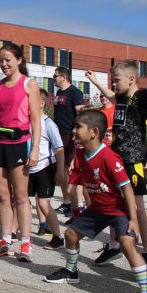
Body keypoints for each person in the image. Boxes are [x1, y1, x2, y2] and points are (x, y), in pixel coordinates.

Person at [43, 110, 147, 293]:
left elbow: (127, 188)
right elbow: (81, 178)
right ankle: (71, 271)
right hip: (98, 209)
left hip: (118, 210)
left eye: (78, 126)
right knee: (70, 234)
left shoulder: (109, 157)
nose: (74, 131)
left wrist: (133, 220)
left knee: (126, 244)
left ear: (94, 132)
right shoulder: (81, 153)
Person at [85, 58, 147, 273]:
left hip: (133, 159)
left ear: (131, 79)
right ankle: (115, 244)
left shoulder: (142, 96)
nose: (113, 84)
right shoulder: (120, 97)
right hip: (117, 156)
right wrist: (95, 81)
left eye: (116, 80)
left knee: (136, 206)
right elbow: (111, 96)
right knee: (114, 201)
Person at [0, 43, 41, 262]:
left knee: (21, 197)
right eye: (1, 60)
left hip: (19, 143)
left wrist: (35, 149)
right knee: (3, 195)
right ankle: (6, 240)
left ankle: (25, 243)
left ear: (19, 60)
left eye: (8, 60)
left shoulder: (29, 84)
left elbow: (35, 120)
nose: (4, 64)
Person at [30, 89, 65, 249]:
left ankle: (57, 237)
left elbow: (59, 149)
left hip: (45, 167)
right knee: (20, 200)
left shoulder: (49, 124)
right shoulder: (26, 121)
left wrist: (59, 170)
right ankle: (14, 233)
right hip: (28, 168)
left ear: (42, 103)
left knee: (43, 203)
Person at [52, 67, 85, 218]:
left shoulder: (74, 92)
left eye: (56, 75)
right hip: (58, 135)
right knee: (62, 170)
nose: (54, 78)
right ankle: (66, 202)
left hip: (69, 136)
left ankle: (76, 205)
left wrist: (77, 133)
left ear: (63, 77)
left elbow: (80, 113)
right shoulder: (59, 93)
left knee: (70, 170)